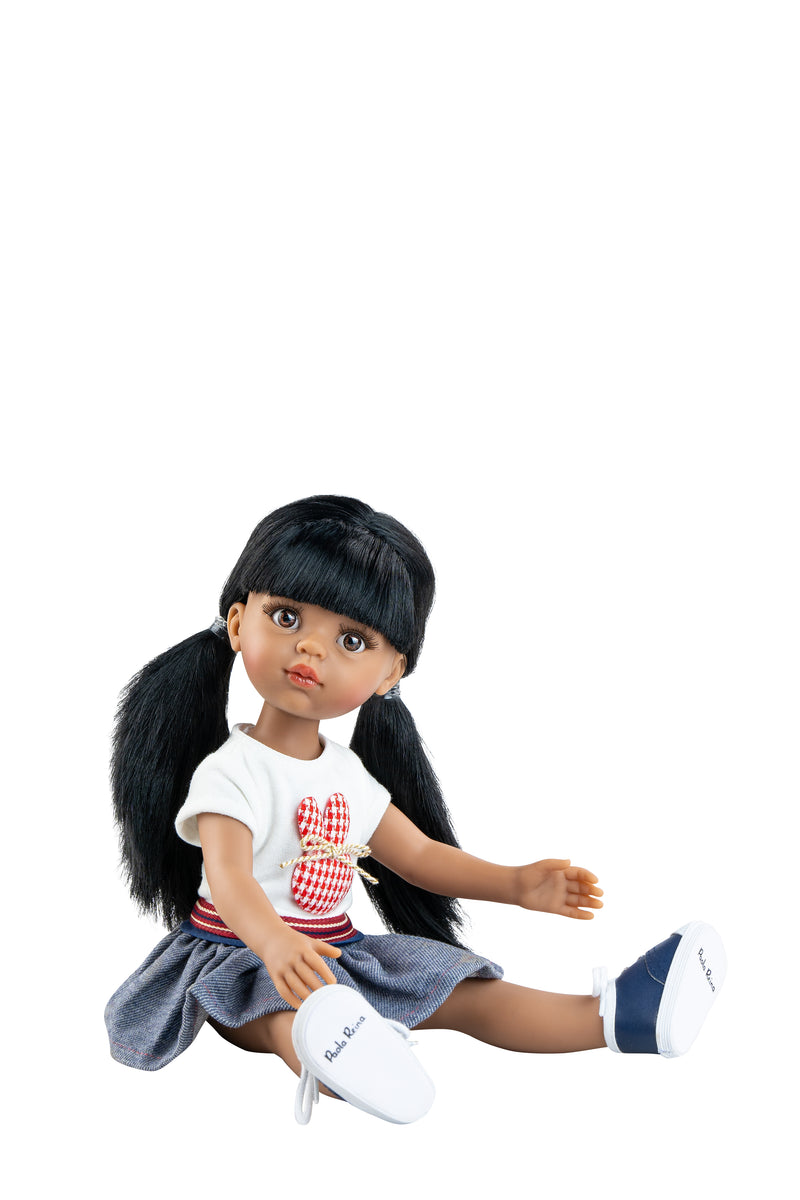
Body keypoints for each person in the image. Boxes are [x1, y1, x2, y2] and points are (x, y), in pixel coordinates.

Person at [105, 495, 726, 1123]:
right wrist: (274, 942)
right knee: (283, 1015)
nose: (311, 648)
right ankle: (343, 1058)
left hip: (338, 950)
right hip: (241, 953)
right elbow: (230, 877)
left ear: (389, 673)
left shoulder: (346, 775)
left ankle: (620, 1016)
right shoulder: (231, 772)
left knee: (464, 987)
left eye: (352, 640)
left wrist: (514, 884)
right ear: (239, 624)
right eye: (286, 617)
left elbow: (419, 855)